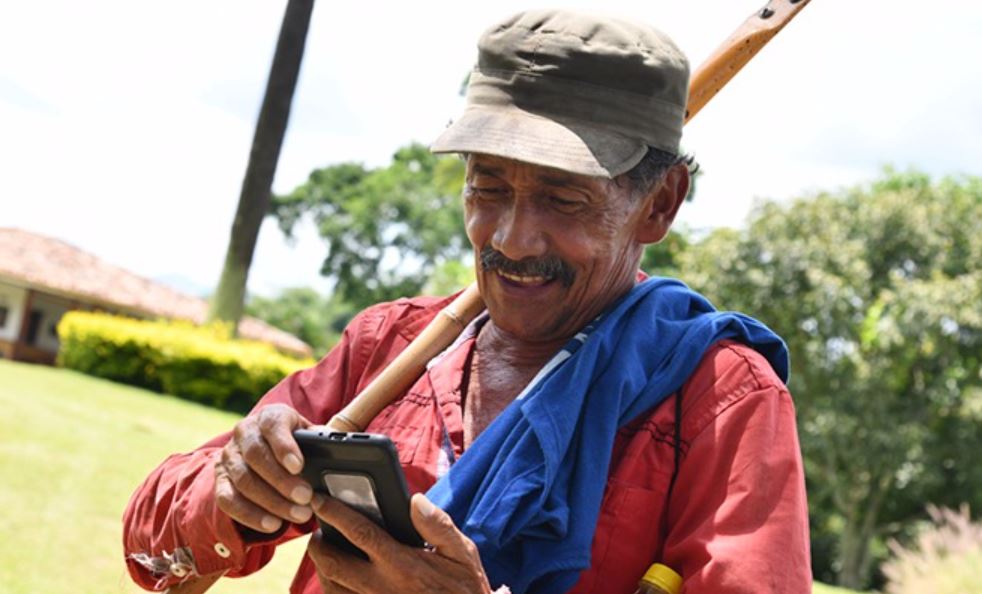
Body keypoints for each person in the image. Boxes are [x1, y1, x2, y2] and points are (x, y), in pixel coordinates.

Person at [123, 9, 811, 594]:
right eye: (487, 188)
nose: (511, 238)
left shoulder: (722, 401)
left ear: (659, 206)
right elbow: (150, 547)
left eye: (563, 198)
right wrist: (230, 489)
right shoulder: (388, 344)